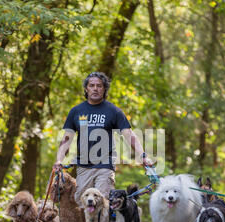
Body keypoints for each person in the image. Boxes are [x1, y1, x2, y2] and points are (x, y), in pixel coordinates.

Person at [53, 71, 153, 206]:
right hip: (83, 167)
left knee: (102, 203)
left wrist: (143, 156)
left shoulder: (113, 111)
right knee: (82, 204)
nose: (95, 88)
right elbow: (66, 139)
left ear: (104, 89)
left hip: (105, 166)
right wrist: (59, 160)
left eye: (99, 86)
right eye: (91, 85)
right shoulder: (76, 111)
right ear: (86, 89)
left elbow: (129, 135)